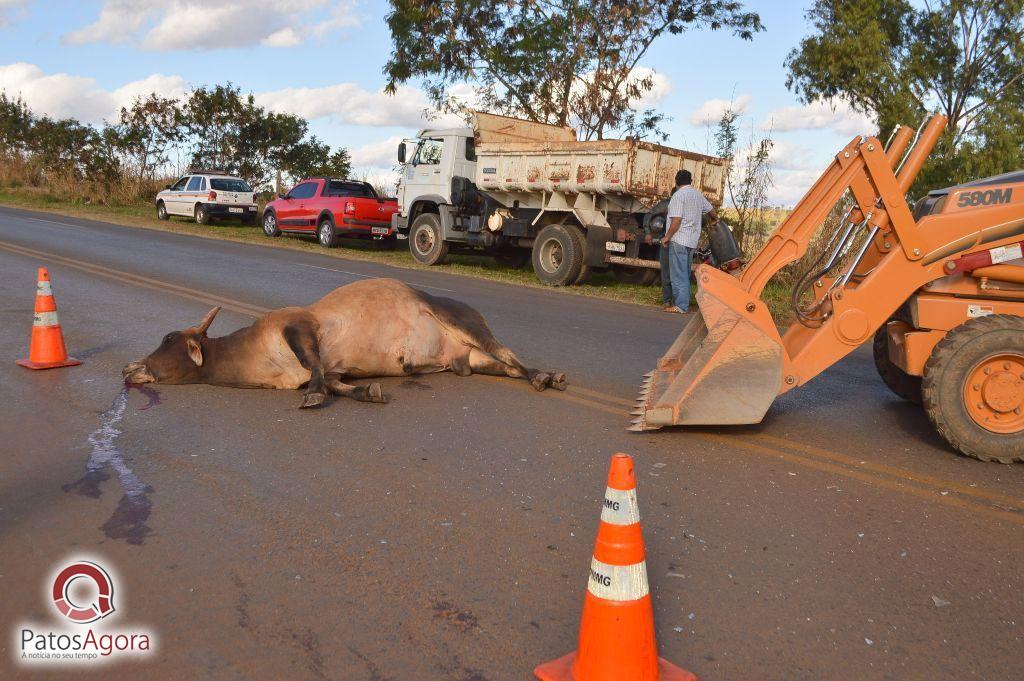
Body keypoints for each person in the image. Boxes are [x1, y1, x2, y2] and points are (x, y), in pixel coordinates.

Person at [660, 170, 717, 313]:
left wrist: (666, 237)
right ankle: (684, 302)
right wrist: (715, 222)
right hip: (692, 241)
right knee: (684, 273)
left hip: (679, 239)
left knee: (678, 275)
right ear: (691, 181)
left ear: (676, 181)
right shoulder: (698, 195)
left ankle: (681, 306)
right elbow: (712, 212)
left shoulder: (678, 196)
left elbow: (676, 220)